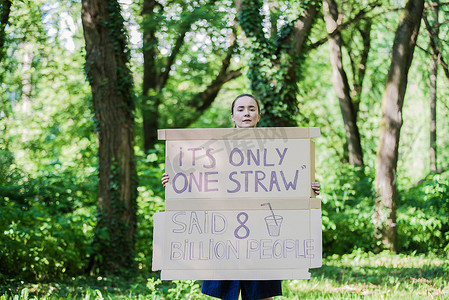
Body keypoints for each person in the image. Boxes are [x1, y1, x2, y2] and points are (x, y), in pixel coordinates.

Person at [161, 94, 320, 300]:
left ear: (259, 116)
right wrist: (173, 181)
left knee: (261, 295)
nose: (247, 113)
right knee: (225, 294)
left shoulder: (274, 147)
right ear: (232, 116)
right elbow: (196, 178)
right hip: (223, 232)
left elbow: (287, 179)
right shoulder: (214, 147)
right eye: (241, 109)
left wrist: (308, 188)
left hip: (261, 234)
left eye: (252, 109)